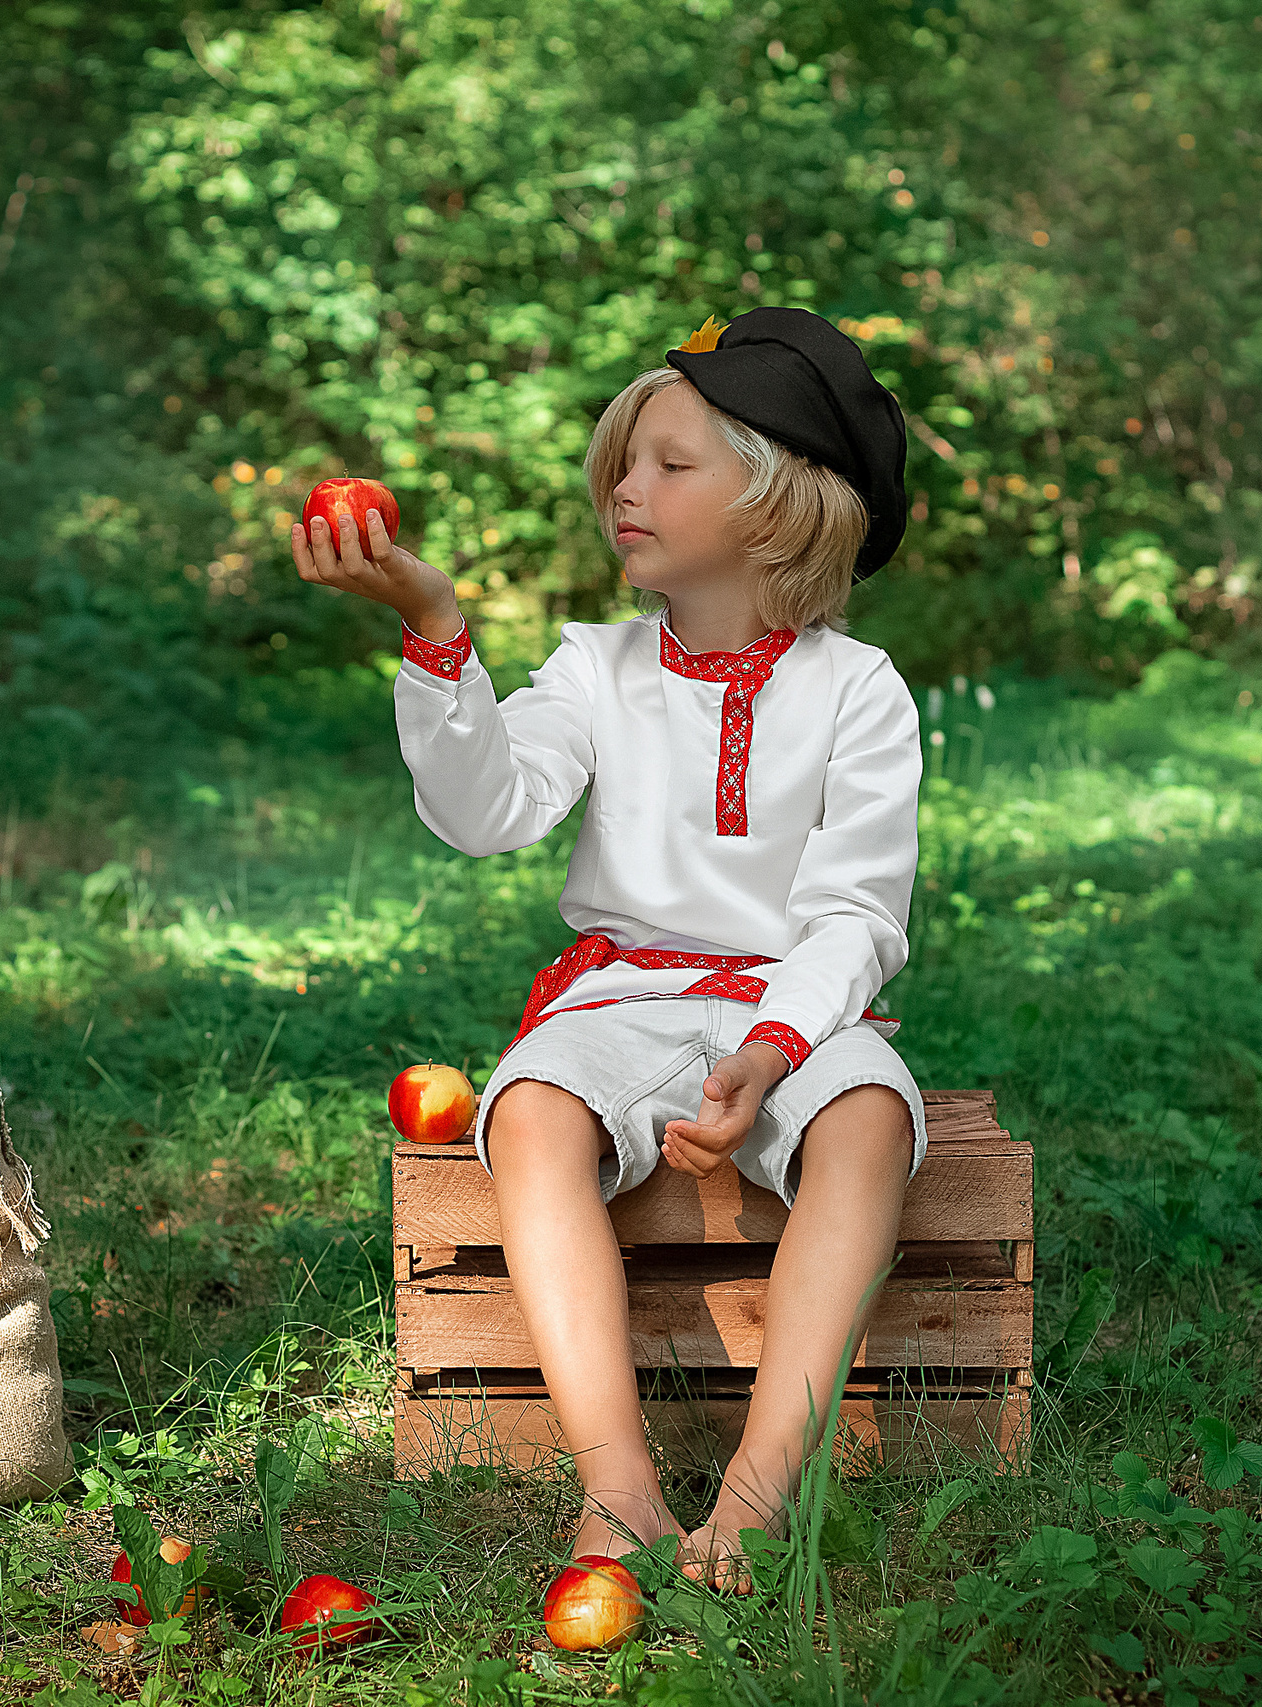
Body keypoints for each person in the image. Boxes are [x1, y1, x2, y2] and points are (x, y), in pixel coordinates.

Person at [290, 307, 923, 1592]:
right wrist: (435, 624)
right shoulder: (595, 666)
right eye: (620, 468)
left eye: (668, 465)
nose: (623, 491)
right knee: (526, 1110)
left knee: (862, 1123)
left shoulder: (857, 689)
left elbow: (855, 912)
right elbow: (487, 813)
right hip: (620, 995)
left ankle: (753, 1496)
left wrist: (773, 1045)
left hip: (785, 1004)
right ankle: (618, 1487)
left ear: (780, 501)